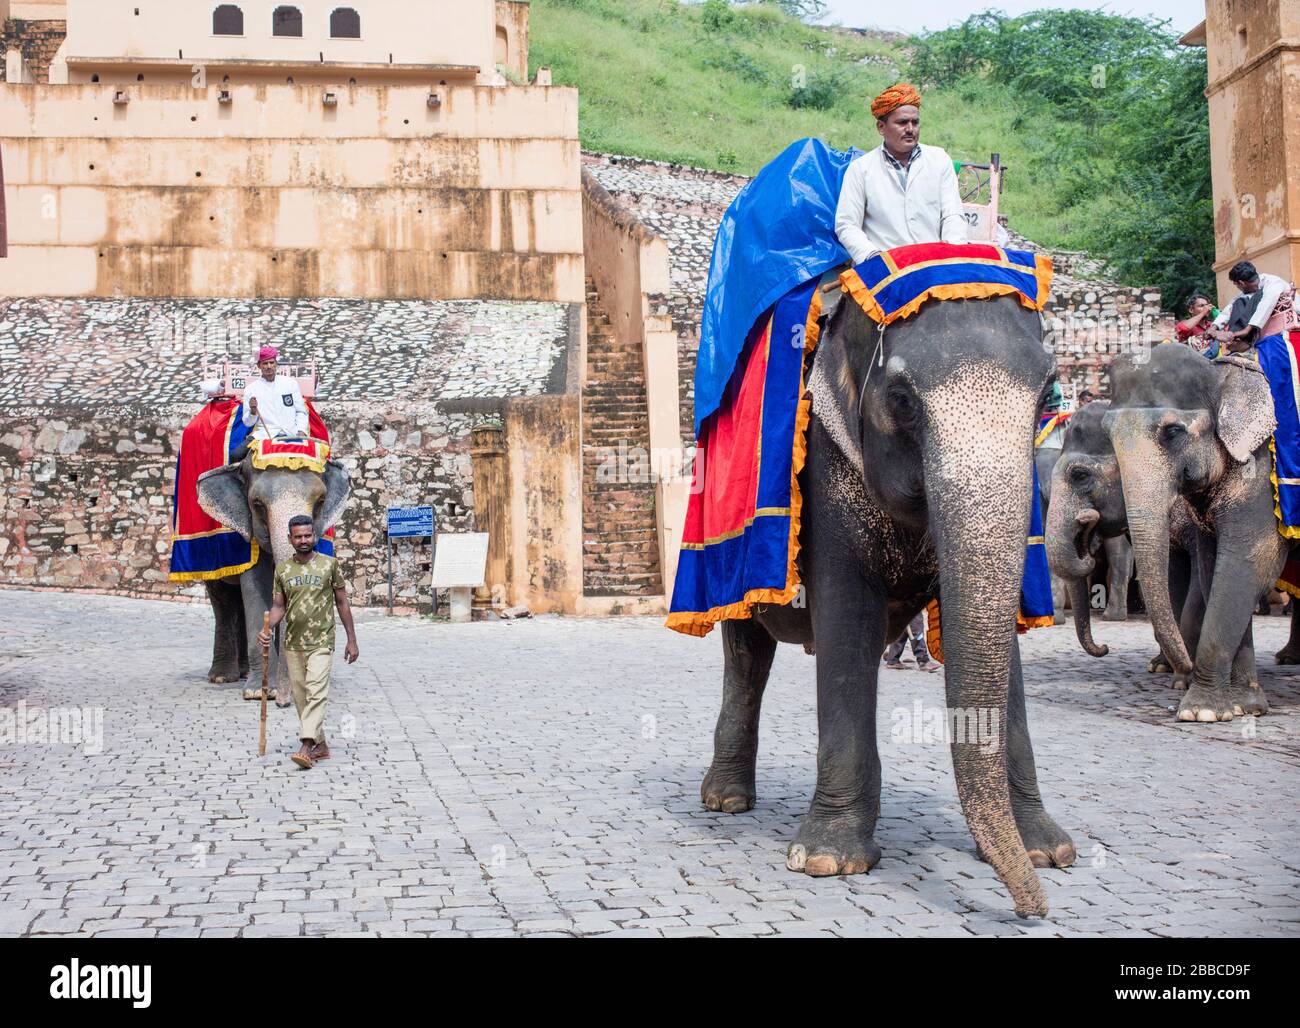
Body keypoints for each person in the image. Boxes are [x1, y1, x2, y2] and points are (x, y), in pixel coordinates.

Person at [259, 515, 359, 769]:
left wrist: (351, 640)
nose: (304, 540)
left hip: (322, 640)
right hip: (292, 642)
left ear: (315, 536)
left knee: (316, 692)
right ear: (290, 539)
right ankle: (321, 745)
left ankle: (305, 744)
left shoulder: (329, 565)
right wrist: (267, 627)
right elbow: (279, 606)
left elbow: (342, 603)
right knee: (303, 699)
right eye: (298, 536)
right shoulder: (283, 570)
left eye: (308, 535)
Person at [834, 82, 968, 266]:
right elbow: (847, 225)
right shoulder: (861, 169)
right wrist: (873, 258)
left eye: (915, 122)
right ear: (881, 127)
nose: (910, 129)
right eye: (902, 122)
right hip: (884, 269)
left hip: (932, 266)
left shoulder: (939, 159)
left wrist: (953, 252)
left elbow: (952, 214)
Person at [1204, 261, 1292, 354]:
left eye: (1236, 285)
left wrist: (1245, 331)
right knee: (1239, 302)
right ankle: (1236, 341)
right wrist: (1214, 327)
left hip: (1290, 316)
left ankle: (1243, 340)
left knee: (1256, 296)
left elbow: (1266, 305)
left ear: (1241, 283)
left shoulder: (1273, 283)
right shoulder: (1250, 291)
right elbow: (1229, 307)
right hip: (1250, 326)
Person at [243, 345, 308, 439]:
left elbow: (301, 412)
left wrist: (301, 431)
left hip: (291, 433)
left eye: (271, 362)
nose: (269, 366)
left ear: (276, 364)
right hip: (264, 435)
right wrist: (253, 411)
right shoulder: (251, 389)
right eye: (265, 363)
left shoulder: (290, 384)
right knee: (237, 454)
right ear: (259, 366)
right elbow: (248, 423)